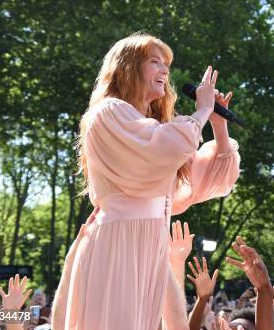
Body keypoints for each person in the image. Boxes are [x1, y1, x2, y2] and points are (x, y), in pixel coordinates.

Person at [51, 33, 241, 330]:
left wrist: (217, 124)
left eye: (166, 64)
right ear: (127, 68)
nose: (165, 71)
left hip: (147, 246)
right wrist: (202, 110)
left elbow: (209, 179)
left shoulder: (154, 132)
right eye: (155, 62)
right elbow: (164, 147)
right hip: (118, 244)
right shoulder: (108, 112)